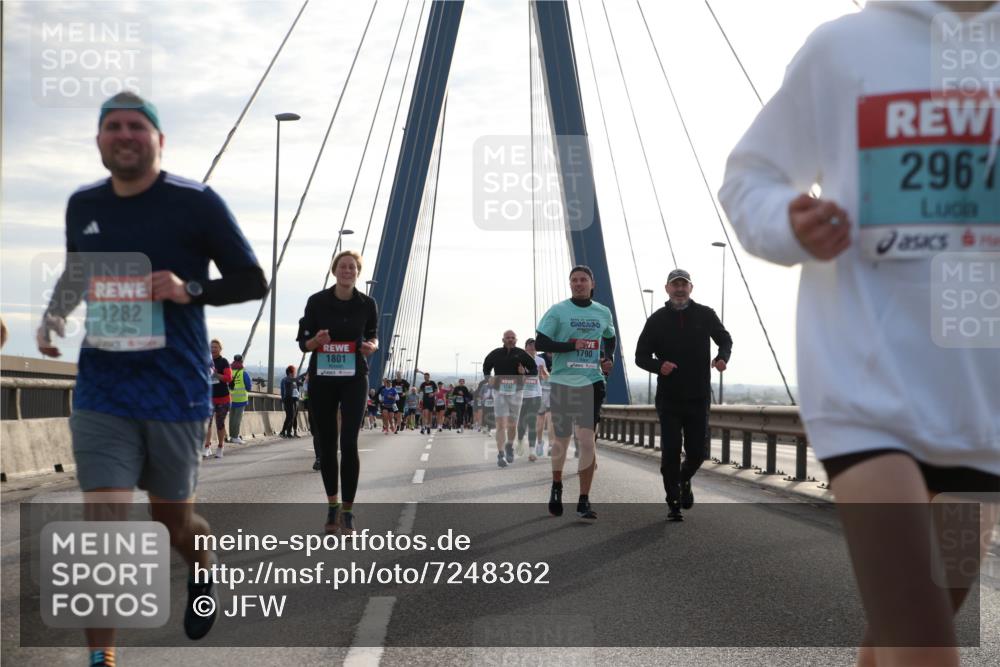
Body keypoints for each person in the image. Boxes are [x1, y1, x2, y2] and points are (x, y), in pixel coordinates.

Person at [718, 2, 1000, 663]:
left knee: (907, 630)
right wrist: (788, 224)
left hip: (982, 413)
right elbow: (748, 177)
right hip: (865, 390)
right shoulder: (846, 48)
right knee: (926, 646)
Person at [35, 91, 267, 664]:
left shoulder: (197, 203)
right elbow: (77, 269)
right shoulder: (82, 203)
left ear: (159, 140)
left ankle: (203, 561)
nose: (124, 134)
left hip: (175, 390)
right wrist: (55, 314)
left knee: (171, 522)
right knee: (104, 528)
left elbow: (252, 280)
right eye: (112, 126)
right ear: (99, 141)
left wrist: (188, 288)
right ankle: (103, 658)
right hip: (103, 388)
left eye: (137, 126)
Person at [635, 269, 732, 521]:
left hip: (699, 396)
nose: (679, 289)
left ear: (691, 288)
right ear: (667, 288)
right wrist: (659, 366)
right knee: (670, 451)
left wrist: (722, 357)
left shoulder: (705, 314)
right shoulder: (656, 320)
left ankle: (683, 478)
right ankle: (673, 501)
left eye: (683, 285)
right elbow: (640, 356)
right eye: (675, 285)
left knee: (698, 452)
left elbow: (725, 339)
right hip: (669, 398)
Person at [297, 249, 378, 536]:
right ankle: (332, 505)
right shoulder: (317, 302)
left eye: (352, 267)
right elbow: (302, 341)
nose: (347, 271)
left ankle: (347, 512)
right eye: (342, 267)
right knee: (327, 442)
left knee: (350, 441)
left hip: (354, 377)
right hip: (323, 378)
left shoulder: (367, 303)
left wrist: (372, 346)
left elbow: (372, 334)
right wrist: (314, 341)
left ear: (358, 272)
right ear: (334, 271)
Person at [535, 266, 615, 519]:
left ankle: (584, 499)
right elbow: (541, 343)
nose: (578, 284)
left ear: (592, 283)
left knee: (586, 440)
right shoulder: (558, 311)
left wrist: (608, 357)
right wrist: (569, 346)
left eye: (583, 280)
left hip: (591, 382)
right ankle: (557, 485)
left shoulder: (603, 312)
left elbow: (610, 337)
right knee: (562, 440)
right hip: (563, 382)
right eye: (574, 280)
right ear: (570, 284)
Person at [482, 330, 537, 467]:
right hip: (499, 392)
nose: (510, 340)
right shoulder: (495, 353)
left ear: (516, 340)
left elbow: (534, 369)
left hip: (516, 392)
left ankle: (509, 447)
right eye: (508, 338)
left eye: (512, 338)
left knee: (512, 424)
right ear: (503, 340)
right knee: (501, 425)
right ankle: (500, 454)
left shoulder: (521, 354)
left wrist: (525, 374)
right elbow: (486, 367)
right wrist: (489, 379)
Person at [516, 338, 547, 461]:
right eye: (530, 345)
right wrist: (522, 374)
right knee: (521, 423)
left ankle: (532, 451)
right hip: (522, 395)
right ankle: (519, 440)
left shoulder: (540, 360)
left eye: (534, 345)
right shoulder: (519, 361)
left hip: (536, 394)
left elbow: (545, 378)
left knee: (532, 421)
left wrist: (542, 372)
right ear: (525, 348)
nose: (533, 347)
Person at [203, 339, 232, 458]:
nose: (213, 349)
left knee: (220, 424)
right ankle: (207, 447)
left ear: (220, 349)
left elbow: (228, 378)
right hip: (209, 398)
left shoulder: (224, 362)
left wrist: (216, 374)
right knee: (207, 423)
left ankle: (220, 446)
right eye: (211, 347)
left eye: (215, 347)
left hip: (223, 398)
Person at [228, 353, 250, 445]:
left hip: (230, 398)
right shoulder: (243, 373)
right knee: (237, 419)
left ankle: (231, 436)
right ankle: (235, 437)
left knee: (232, 418)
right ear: (241, 361)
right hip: (241, 399)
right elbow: (248, 386)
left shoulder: (229, 371)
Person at [279, 365, 300, 438]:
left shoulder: (293, 380)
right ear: (290, 373)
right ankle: (285, 432)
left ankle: (289, 432)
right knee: (290, 416)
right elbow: (283, 391)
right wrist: (283, 400)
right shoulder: (286, 379)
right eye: (294, 372)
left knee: (293, 416)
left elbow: (297, 388)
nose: (295, 373)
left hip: (295, 399)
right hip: (288, 400)